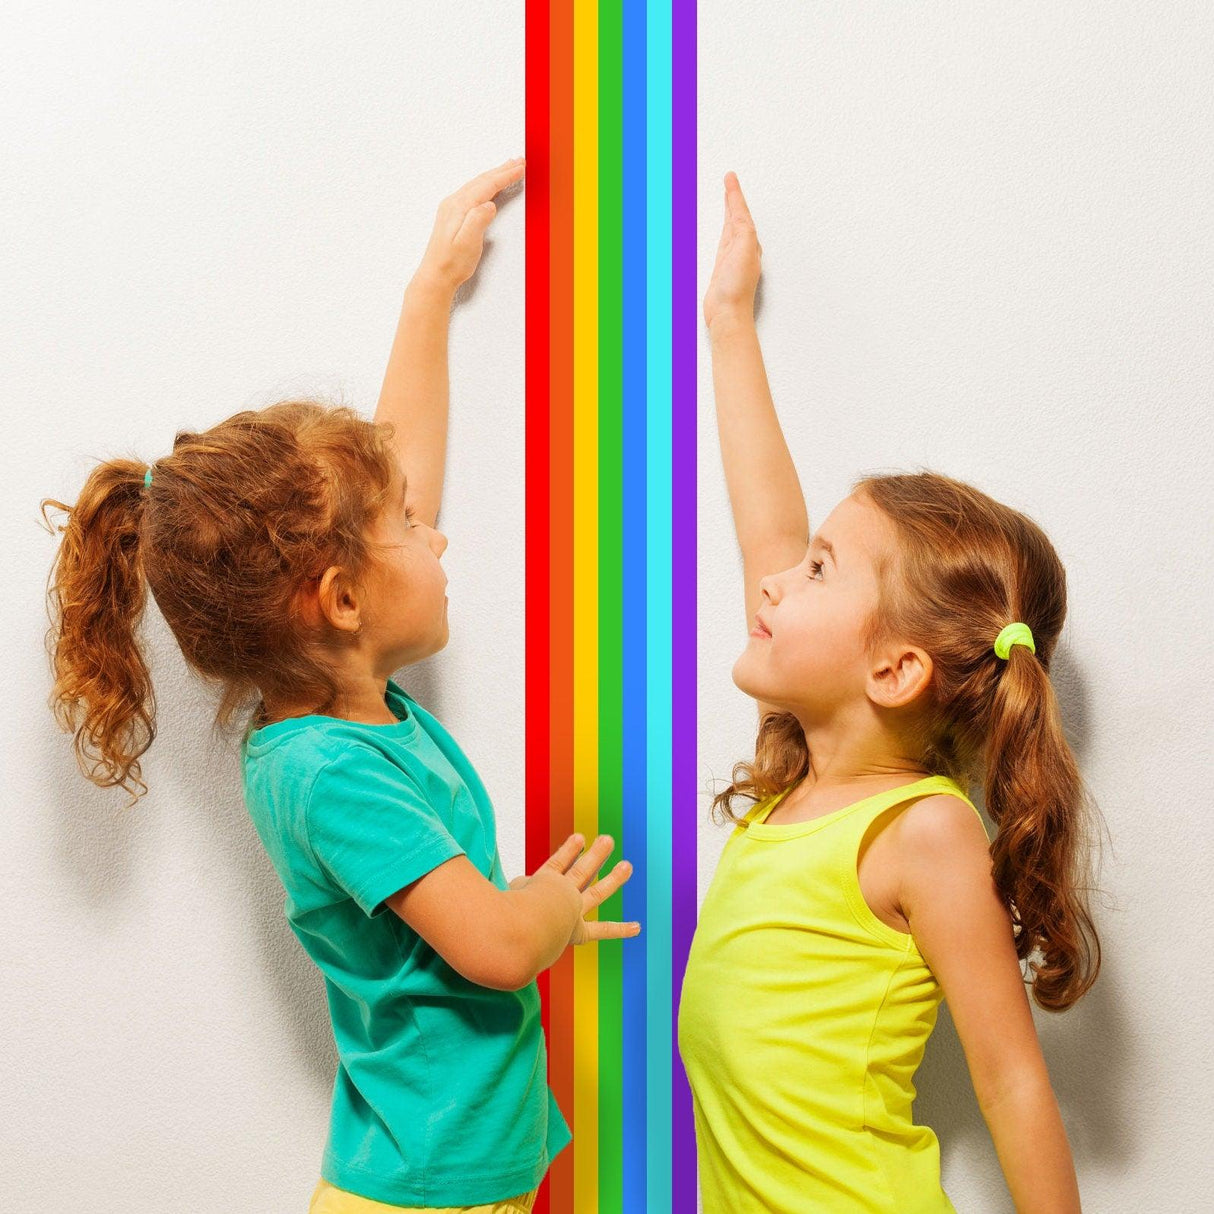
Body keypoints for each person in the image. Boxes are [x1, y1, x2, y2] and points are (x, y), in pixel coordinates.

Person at [42, 157, 642, 1213]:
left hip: (450, 1175)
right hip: (420, 1191)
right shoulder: (328, 773)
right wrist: (546, 905)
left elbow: (395, 473)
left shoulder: (335, 730)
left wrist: (430, 291)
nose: (437, 531)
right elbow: (498, 948)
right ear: (344, 600)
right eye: (412, 526)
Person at [677, 171, 1103, 1213]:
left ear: (893, 669)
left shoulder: (920, 830)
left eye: (819, 569)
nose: (776, 581)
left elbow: (1009, 1080)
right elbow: (763, 525)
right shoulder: (797, 773)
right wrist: (726, 323)